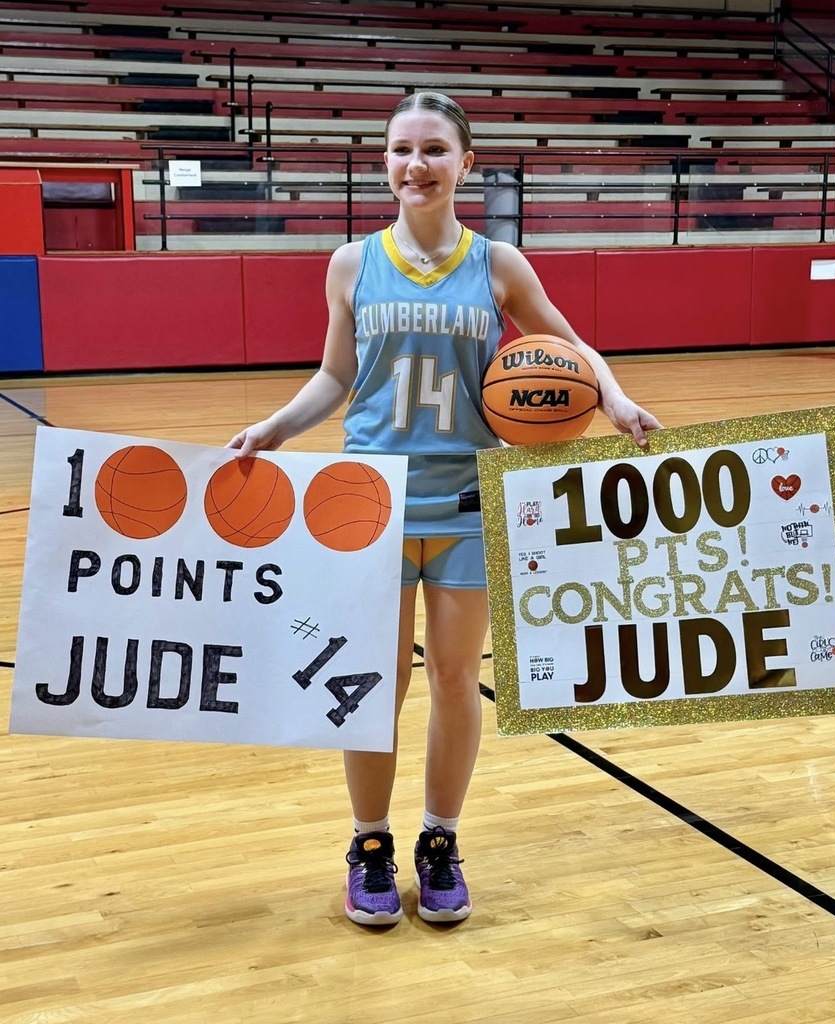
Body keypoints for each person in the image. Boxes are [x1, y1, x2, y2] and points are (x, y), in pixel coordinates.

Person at [227, 91, 661, 927]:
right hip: (368, 504)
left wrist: (615, 400)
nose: (414, 165)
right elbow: (337, 377)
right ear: (383, 163)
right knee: (372, 686)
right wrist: (276, 429)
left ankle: (440, 839)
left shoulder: (499, 264)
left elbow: (572, 349)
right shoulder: (351, 263)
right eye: (399, 150)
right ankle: (369, 845)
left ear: (466, 164)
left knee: (457, 680)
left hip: (468, 496)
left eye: (432, 150)